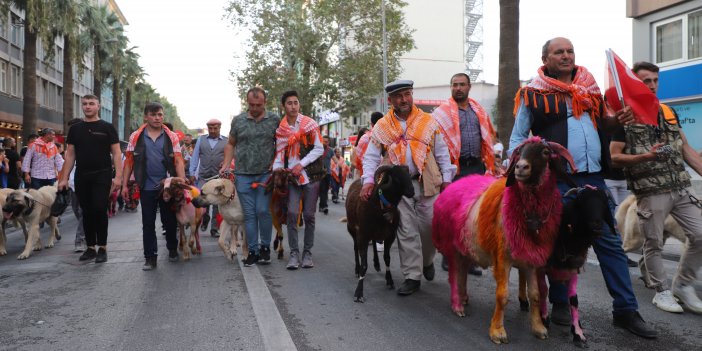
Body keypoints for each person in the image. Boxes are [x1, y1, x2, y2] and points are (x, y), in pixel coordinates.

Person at [508, 37, 656, 338]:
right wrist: (516, 172)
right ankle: (560, 304)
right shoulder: (531, 93)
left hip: (595, 179)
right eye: (558, 52)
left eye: (570, 51)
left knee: (609, 244)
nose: (566, 56)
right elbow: (517, 137)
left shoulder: (590, 88)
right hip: (556, 182)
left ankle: (626, 311)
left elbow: (605, 125)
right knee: (561, 243)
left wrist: (618, 121)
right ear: (545, 59)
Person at [610, 61, 702, 314]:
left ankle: (683, 284)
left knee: (700, 235)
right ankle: (661, 292)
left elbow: (687, 151)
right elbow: (614, 157)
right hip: (650, 192)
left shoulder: (668, 112)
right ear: (636, 83)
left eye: (655, 80)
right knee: (653, 243)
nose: (652, 85)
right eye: (646, 81)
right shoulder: (624, 117)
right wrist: (645, 158)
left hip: (681, 188)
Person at [362, 79, 456, 295]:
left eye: (407, 94)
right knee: (406, 230)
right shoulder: (382, 126)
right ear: (390, 100)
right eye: (398, 96)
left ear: (411, 95)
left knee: (430, 228)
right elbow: (371, 157)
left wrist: (447, 179)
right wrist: (368, 181)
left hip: (428, 183)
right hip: (397, 187)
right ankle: (412, 276)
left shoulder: (428, 121)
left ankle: (426, 261)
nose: (403, 99)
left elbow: (442, 153)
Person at [432, 72, 498, 276]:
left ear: (469, 87)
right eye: (454, 85)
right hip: (454, 169)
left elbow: (487, 137)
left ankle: (470, 259)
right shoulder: (441, 113)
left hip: (477, 167)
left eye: (462, 84)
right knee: (452, 215)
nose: (458, 88)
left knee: (473, 215)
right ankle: (448, 257)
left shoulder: (478, 110)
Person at [221, 87, 280, 267]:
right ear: (247, 103)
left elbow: (282, 144)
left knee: (262, 210)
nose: (255, 108)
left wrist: (276, 162)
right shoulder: (238, 121)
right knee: (249, 214)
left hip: (265, 174)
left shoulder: (274, 120)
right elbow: (231, 144)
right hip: (243, 174)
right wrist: (225, 165)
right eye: (252, 105)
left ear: (265, 103)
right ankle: (252, 251)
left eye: (259, 105)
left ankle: (264, 248)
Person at [58, 95, 122, 263]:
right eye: (85, 104)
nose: (87, 106)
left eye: (91, 103)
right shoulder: (75, 129)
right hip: (82, 175)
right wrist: (64, 178)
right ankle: (90, 247)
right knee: (86, 212)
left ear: (98, 106)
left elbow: (116, 153)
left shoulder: (107, 127)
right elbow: (70, 154)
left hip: (102, 174)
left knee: (99, 209)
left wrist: (118, 177)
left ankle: (102, 247)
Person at [122, 102, 185, 270]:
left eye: (160, 115)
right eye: (154, 115)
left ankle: (172, 249)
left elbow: (178, 159)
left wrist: (182, 180)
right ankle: (150, 257)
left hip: (167, 185)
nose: (157, 118)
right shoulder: (136, 136)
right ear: (146, 116)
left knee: (169, 220)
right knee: (148, 223)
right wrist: (124, 185)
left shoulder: (171, 136)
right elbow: (129, 162)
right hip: (146, 186)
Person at [272, 90, 324, 270]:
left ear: (299, 104)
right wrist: (277, 170)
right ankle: (293, 253)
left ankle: (307, 254)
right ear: (283, 106)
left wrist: (301, 164)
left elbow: (319, 149)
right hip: (292, 179)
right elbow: (279, 154)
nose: (293, 106)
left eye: (295, 102)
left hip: (312, 176)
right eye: (289, 103)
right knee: (292, 214)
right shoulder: (281, 131)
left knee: (309, 216)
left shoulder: (310, 125)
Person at [189, 119, 227, 237]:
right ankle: (205, 218)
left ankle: (214, 228)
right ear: (207, 128)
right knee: (202, 200)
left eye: (215, 128)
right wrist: (192, 172)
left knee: (217, 203)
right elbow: (195, 157)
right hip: (203, 177)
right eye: (210, 128)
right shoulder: (201, 139)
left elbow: (231, 157)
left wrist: (225, 163)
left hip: (218, 177)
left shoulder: (226, 141)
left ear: (220, 128)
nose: (213, 130)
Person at [318, 135, 334, 215]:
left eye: (327, 141)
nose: (325, 143)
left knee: (325, 190)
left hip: (328, 173)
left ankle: (321, 206)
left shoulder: (330, 150)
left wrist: (340, 164)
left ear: (329, 142)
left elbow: (335, 159)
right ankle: (324, 206)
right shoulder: (318, 149)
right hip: (320, 173)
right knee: (322, 190)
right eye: (324, 141)